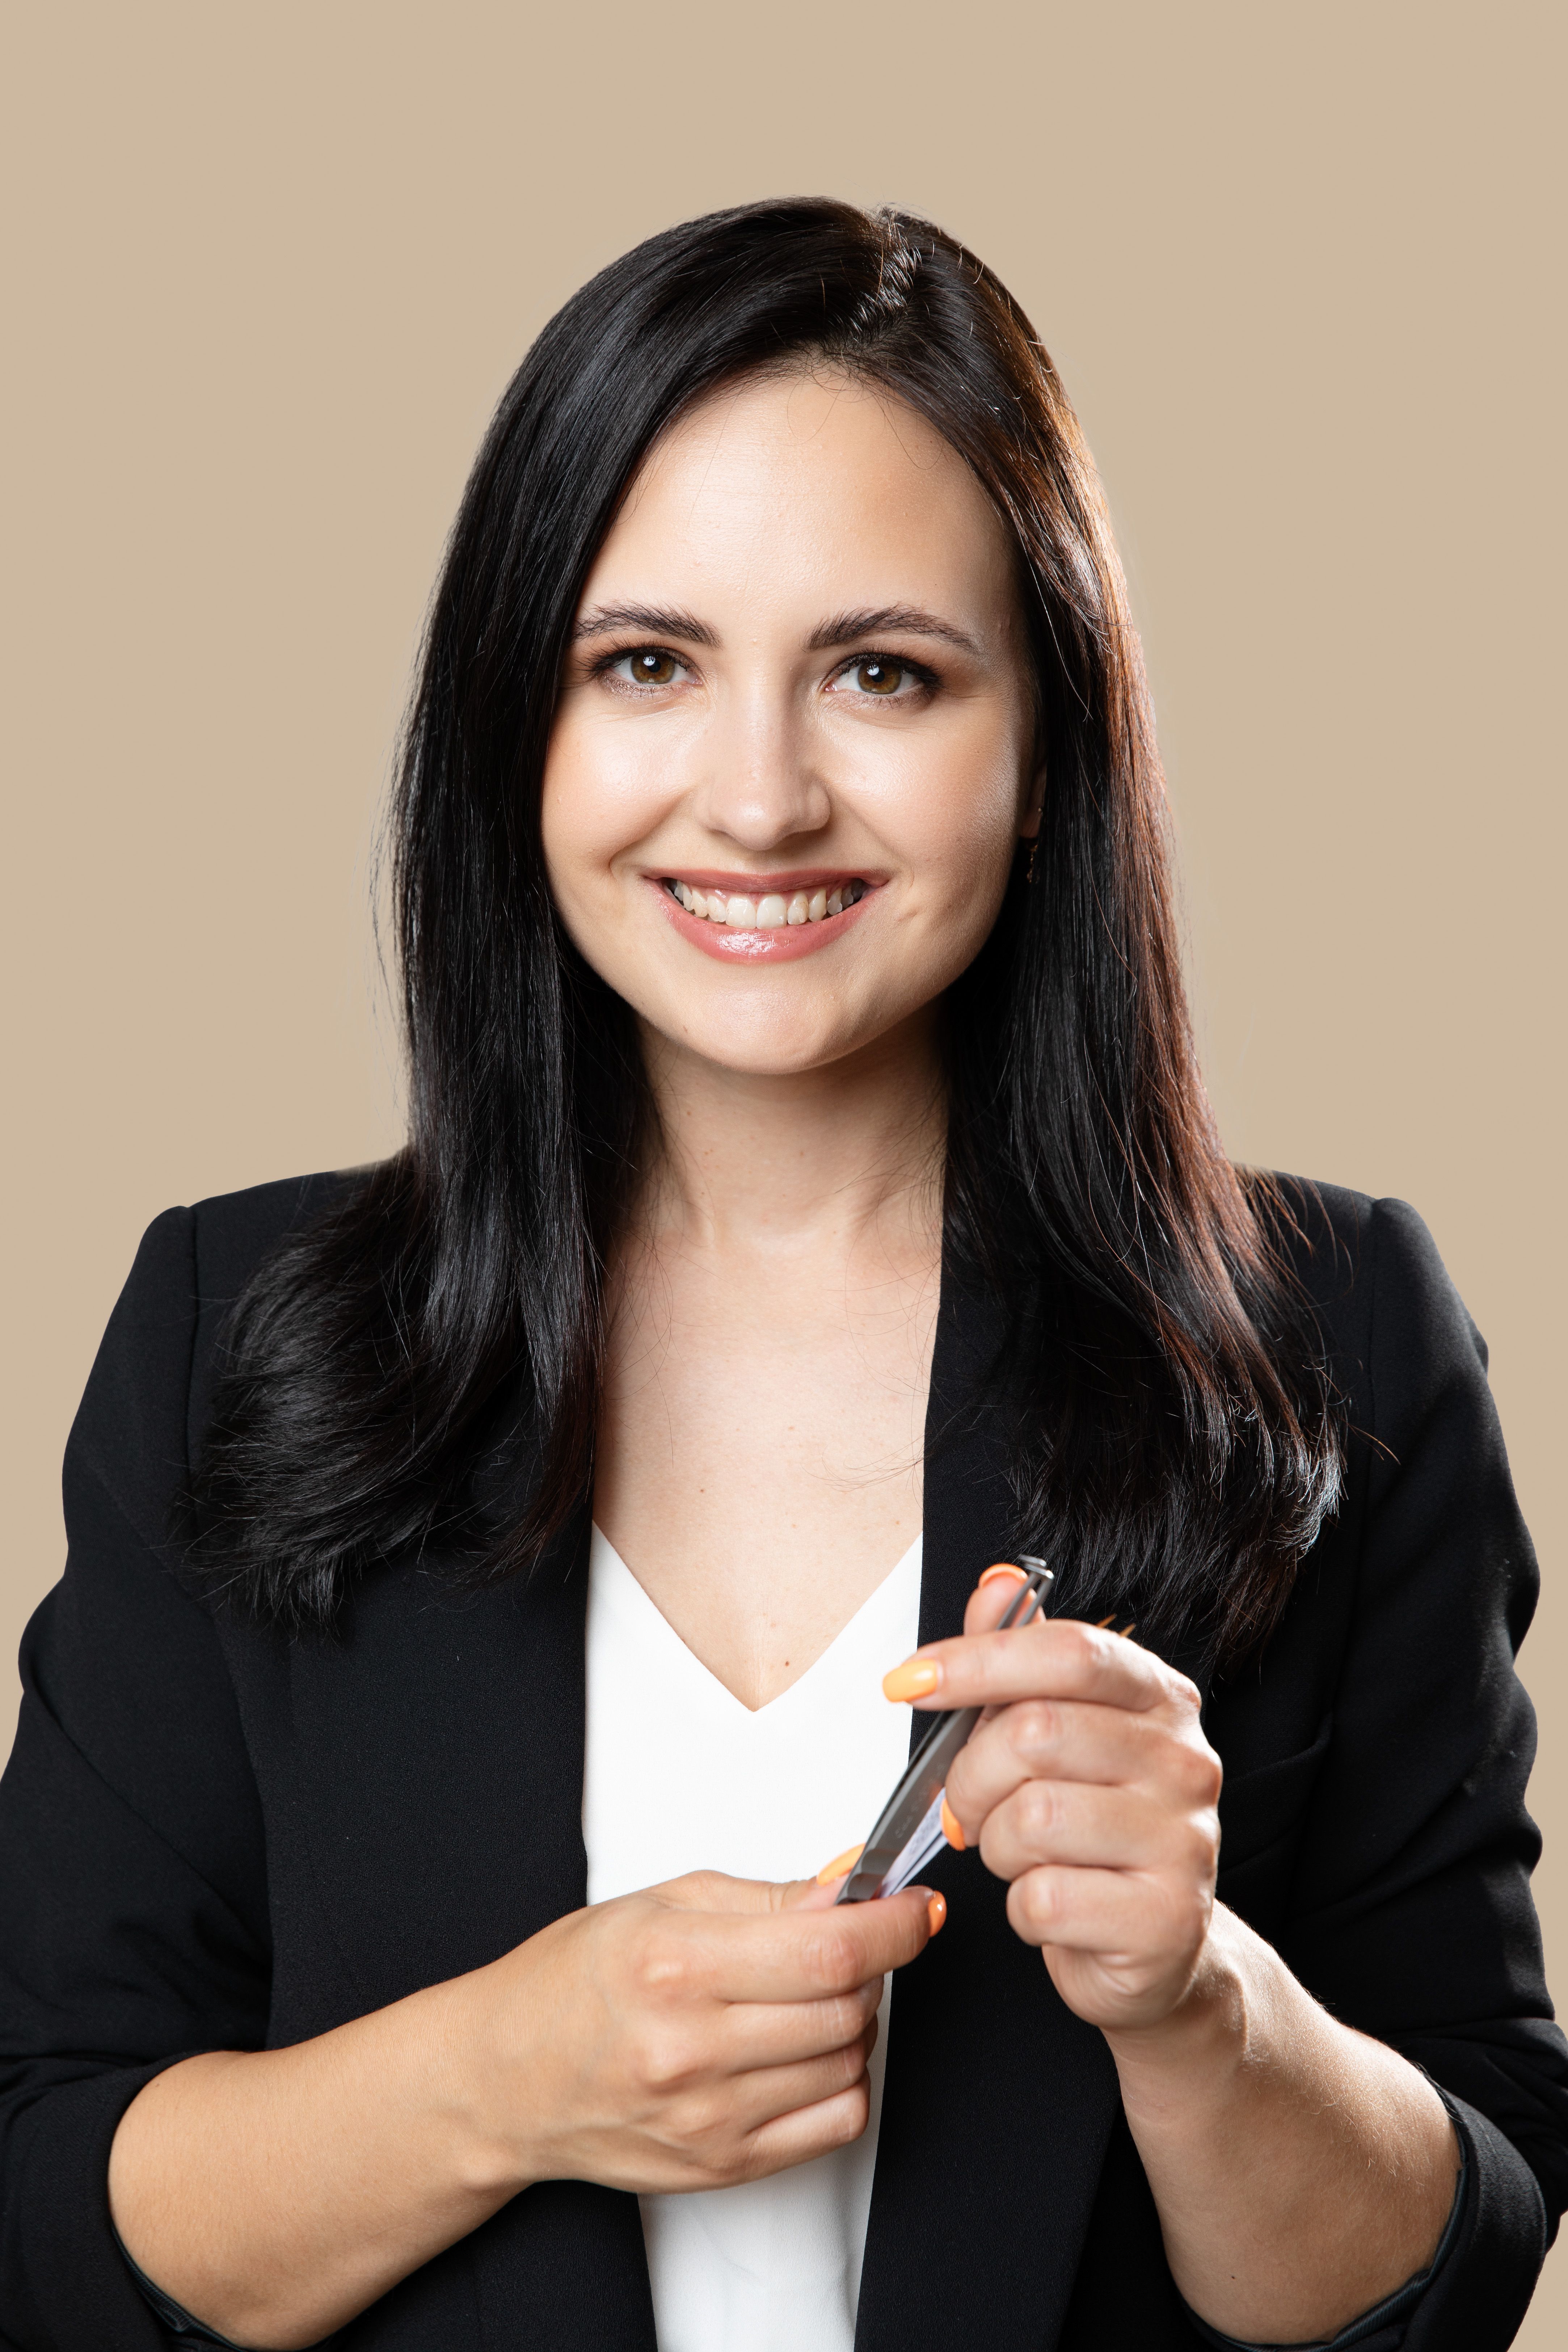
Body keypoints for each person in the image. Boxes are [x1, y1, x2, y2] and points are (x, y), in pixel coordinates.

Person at [1, 197, 1563, 2352]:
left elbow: (1455, 2260)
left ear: (1047, 750)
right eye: (646, 664)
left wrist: (1200, 2005)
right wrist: (505, 2075)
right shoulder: (230, 1327)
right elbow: (46, 2199)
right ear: (513, 730)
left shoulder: (1334, 1332)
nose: (756, 797)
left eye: (885, 673)